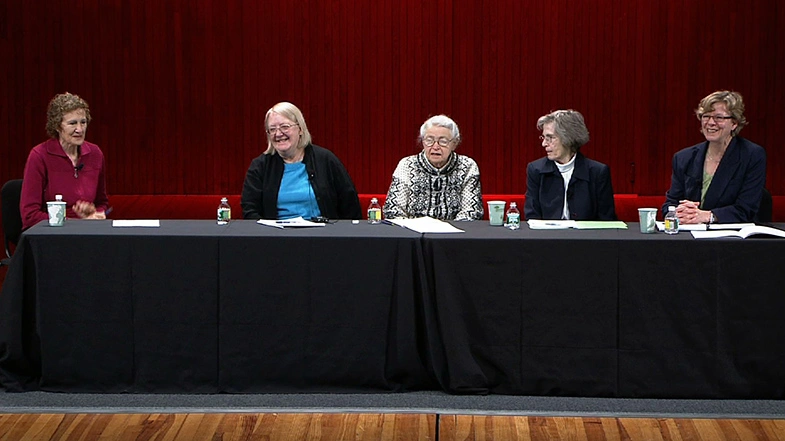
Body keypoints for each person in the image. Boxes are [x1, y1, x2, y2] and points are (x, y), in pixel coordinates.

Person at [241, 102, 361, 220]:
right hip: (276, 236)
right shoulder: (260, 166)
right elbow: (250, 210)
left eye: (285, 127)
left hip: (323, 234)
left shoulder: (325, 160)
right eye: (272, 129)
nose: (278, 134)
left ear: (300, 129)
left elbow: (350, 205)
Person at [663, 91, 766, 223]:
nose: (710, 122)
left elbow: (746, 209)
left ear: (734, 123)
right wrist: (679, 212)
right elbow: (670, 204)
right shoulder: (684, 157)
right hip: (689, 234)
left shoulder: (752, 155)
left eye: (719, 117)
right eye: (706, 116)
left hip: (731, 237)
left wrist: (708, 216)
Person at [20, 92, 109, 230]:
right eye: (72, 123)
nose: (79, 129)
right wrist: (74, 222)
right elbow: (30, 215)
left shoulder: (95, 154)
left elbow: (102, 203)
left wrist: (95, 214)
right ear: (57, 126)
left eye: (83, 122)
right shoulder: (39, 156)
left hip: (87, 231)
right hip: (50, 233)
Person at [383, 115, 483, 221]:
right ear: (422, 142)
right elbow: (393, 210)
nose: (435, 147)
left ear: (455, 143)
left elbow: (472, 212)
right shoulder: (407, 165)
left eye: (443, 141)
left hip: (454, 234)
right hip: (413, 233)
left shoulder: (467, 166)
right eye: (429, 140)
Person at [524, 110, 616, 220]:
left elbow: (607, 219)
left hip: (587, 236)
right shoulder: (536, 170)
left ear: (568, 138)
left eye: (550, 138)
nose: (544, 144)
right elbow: (532, 216)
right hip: (547, 236)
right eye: (544, 138)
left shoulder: (597, 172)